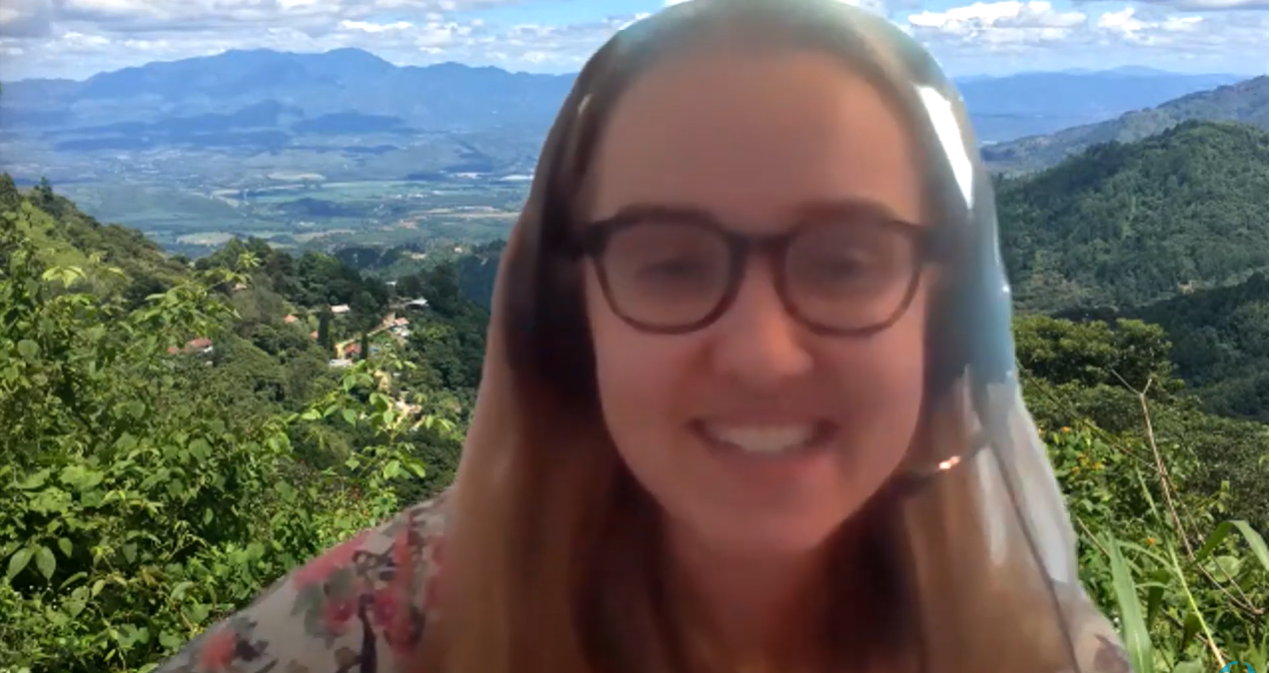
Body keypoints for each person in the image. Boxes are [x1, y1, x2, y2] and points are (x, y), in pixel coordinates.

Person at [155, 1, 1133, 672]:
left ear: (945, 320)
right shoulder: (375, 631)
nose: (760, 353)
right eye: (668, 262)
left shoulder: (1038, 647)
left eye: (844, 261)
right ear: (568, 321)